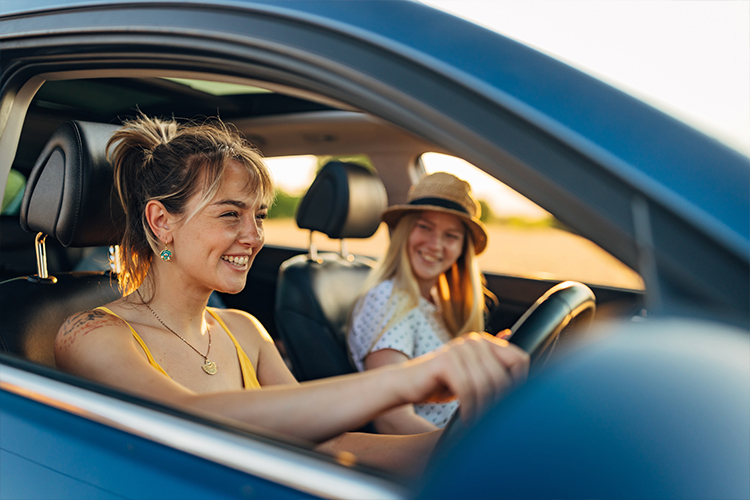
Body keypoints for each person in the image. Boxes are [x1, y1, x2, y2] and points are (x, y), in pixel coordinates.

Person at [55, 115, 528, 475]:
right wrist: (409, 380)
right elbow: (188, 421)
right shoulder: (91, 335)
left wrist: (461, 445)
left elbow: (326, 443)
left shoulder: (245, 330)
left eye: (259, 215)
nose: (254, 235)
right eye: (230, 215)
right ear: (162, 222)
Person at [348, 172, 497, 434]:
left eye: (451, 236)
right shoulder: (389, 299)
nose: (434, 244)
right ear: (405, 232)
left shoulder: (438, 302)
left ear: (463, 249)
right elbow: (392, 419)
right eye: (425, 227)